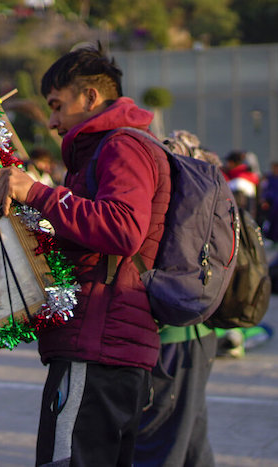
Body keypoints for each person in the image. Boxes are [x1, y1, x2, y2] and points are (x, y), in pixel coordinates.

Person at [0, 43, 169, 466]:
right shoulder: (109, 148)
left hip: (98, 344)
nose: (51, 120)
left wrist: (35, 191)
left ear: (90, 97)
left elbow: (123, 228)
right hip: (111, 344)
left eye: (57, 105)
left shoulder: (122, 146)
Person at [133, 130, 220, 467]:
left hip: (170, 337)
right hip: (200, 332)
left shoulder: (172, 196)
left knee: (160, 445)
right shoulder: (205, 191)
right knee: (192, 438)